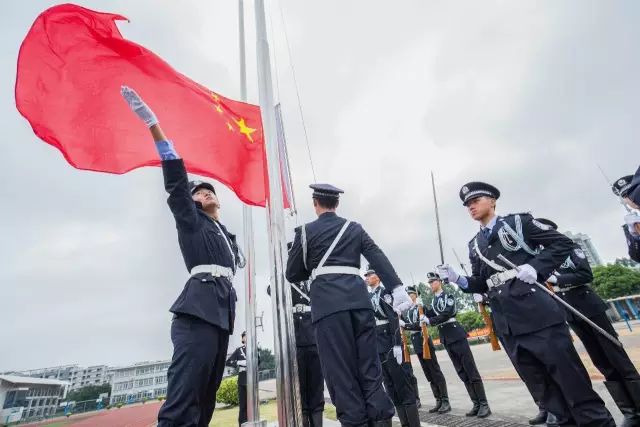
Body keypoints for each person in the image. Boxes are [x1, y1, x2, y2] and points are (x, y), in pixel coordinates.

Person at [438, 181, 614, 426]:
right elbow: (482, 282)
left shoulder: (519, 223)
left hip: (538, 315)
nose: (471, 207)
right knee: (544, 391)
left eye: (476, 201)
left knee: (572, 383)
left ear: (492, 201)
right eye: (467, 205)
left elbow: (562, 243)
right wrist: (459, 279)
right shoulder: (475, 245)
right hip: (507, 324)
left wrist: (536, 267)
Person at [120, 86, 243, 427]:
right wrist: (154, 126)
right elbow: (176, 182)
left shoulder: (224, 234)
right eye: (198, 192)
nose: (205, 191)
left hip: (221, 318)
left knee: (205, 402)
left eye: (210, 190)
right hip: (197, 314)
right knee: (184, 399)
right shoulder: (191, 220)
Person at [286, 184, 412, 427]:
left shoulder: (304, 232)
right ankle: (381, 420)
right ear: (337, 204)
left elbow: (292, 274)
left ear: (315, 204)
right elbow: (376, 255)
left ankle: (355, 422)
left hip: (328, 308)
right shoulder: (353, 228)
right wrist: (396, 288)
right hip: (359, 302)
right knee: (370, 367)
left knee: (340, 373)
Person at [537, 218, 640, 426]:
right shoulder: (543, 258)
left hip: (588, 306)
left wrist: (559, 279)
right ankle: (630, 411)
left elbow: (586, 273)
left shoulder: (571, 248)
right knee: (601, 362)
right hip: (570, 311)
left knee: (617, 358)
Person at [421, 272, 490, 418]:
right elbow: (432, 314)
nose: (431, 284)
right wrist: (423, 311)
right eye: (429, 282)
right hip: (446, 337)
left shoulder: (449, 296)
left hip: (456, 335)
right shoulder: (433, 301)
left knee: (470, 369)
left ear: (439, 282)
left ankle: (484, 404)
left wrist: (431, 321)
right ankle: (476, 403)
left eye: (433, 282)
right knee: (461, 372)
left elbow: (447, 313)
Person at [268, 254, 325, 427]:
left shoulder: (313, 277)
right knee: (300, 389)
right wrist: (283, 274)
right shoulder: (286, 280)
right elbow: (271, 290)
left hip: (315, 339)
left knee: (316, 388)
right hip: (296, 341)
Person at [365, 269, 420, 427]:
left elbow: (395, 317)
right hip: (378, 344)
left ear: (378, 276)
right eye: (366, 275)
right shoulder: (368, 296)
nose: (367, 278)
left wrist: (397, 343)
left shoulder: (386, 293)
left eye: (370, 275)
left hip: (389, 342)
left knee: (403, 386)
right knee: (391, 388)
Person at [402, 286, 451, 414]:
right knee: (428, 373)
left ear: (415, 295)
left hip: (424, 340)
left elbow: (423, 322)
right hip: (416, 342)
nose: (408, 296)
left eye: (410, 294)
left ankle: (445, 401)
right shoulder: (409, 310)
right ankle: (438, 400)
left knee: (435, 370)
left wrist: (422, 308)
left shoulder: (420, 307)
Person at [612, 174, 640, 263]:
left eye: (632, 192)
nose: (630, 198)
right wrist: (635, 236)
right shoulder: (630, 226)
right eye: (625, 196)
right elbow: (636, 257)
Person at [226, 332, 249, 426]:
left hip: (251, 377)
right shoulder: (239, 350)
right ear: (243, 339)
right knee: (243, 404)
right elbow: (228, 362)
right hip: (242, 377)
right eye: (245, 336)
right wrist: (240, 362)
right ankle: (242, 424)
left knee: (252, 403)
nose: (247, 337)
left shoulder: (255, 349)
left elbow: (258, 362)